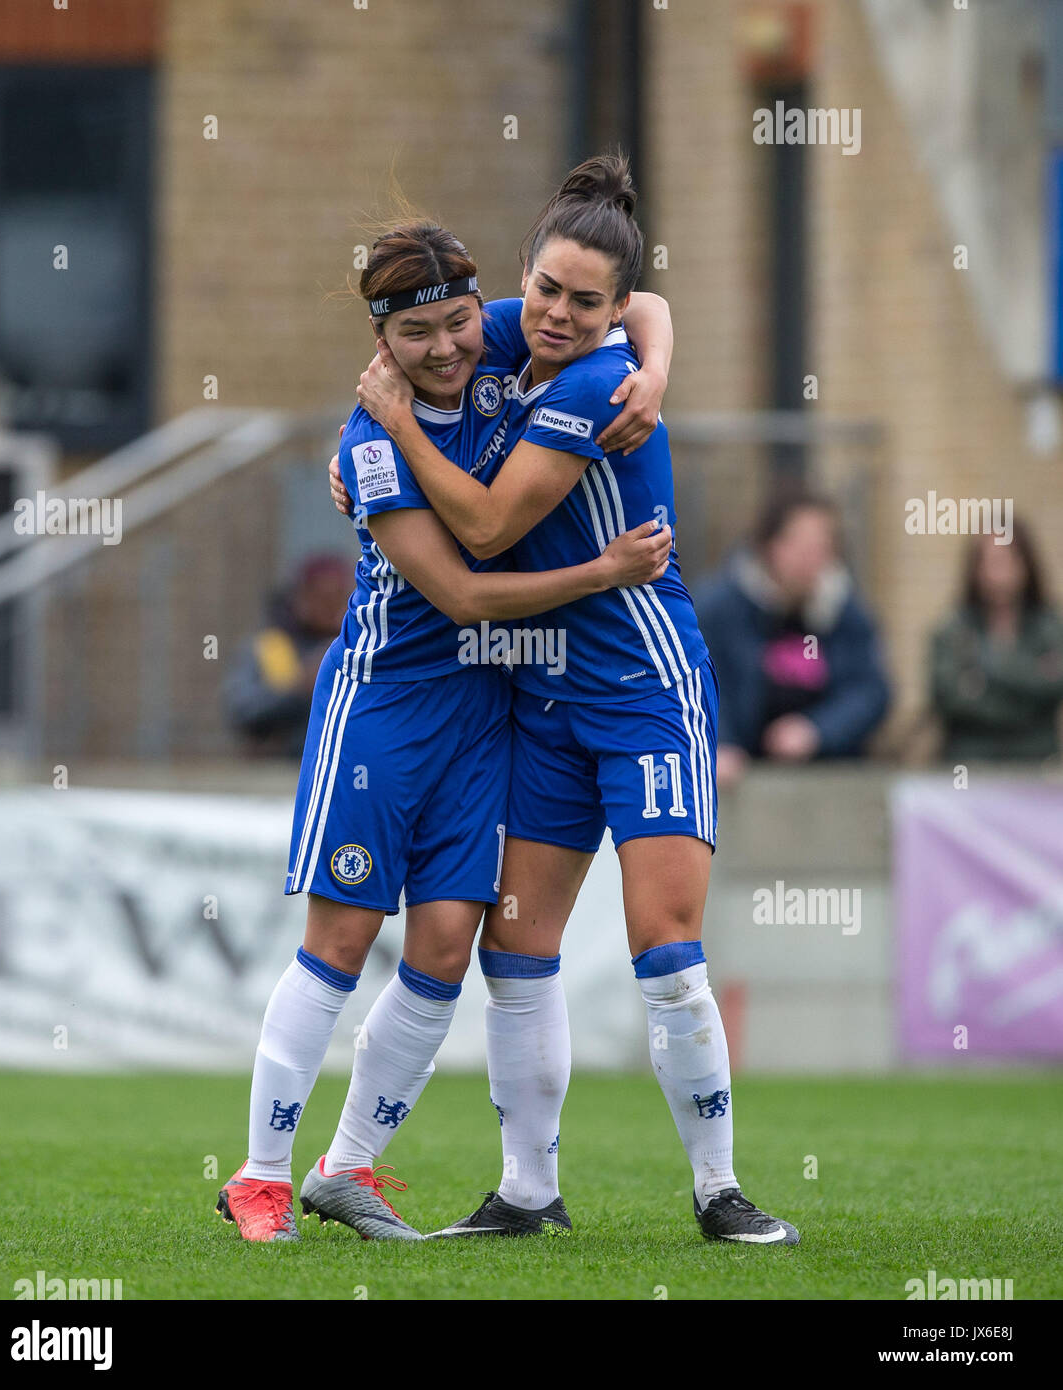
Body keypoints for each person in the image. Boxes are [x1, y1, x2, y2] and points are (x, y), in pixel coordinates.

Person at [353, 153, 799, 1245]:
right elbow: (631, 301)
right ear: (522, 275)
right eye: (545, 288)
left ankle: (718, 1189)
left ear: (606, 318)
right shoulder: (512, 331)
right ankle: (526, 1191)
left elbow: (490, 528)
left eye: (584, 302)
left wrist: (397, 437)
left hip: (644, 686)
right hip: (540, 696)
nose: (556, 312)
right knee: (516, 943)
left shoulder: (599, 383)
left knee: (662, 942)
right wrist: (358, 449)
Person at [216, 214, 674, 1243]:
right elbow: (465, 592)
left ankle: (350, 1170)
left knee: (442, 948)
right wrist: (601, 573)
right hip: (384, 707)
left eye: (460, 323)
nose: (447, 348)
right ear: (382, 343)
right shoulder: (370, 440)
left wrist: (655, 371)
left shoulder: (509, 336)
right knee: (338, 943)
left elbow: (634, 300)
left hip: (483, 717)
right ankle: (257, 1177)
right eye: (415, 334)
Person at [692, 492, 891, 789]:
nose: (811, 558)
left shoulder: (848, 613)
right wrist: (720, 744)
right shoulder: (719, 609)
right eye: (799, 545)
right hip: (736, 780)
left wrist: (818, 730)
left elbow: (871, 690)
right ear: (769, 545)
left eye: (822, 547)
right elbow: (698, 684)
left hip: (826, 782)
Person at [930, 519, 1063, 762]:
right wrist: (1029, 684)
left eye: (1006, 561)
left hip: (1036, 764)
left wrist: (985, 674)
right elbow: (948, 697)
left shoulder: (1049, 627)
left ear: (1025, 564)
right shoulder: (953, 629)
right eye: (989, 562)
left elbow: (1055, 686)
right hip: (970, 763)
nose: (997, 575)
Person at [223, 554, 351, 758]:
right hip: (279, 773)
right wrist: (300, 686)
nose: (332, 607)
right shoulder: (269, 645)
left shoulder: (358, 649)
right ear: (301, 596)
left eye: (339, 597)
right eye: (323, 598)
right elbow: (241, 710)